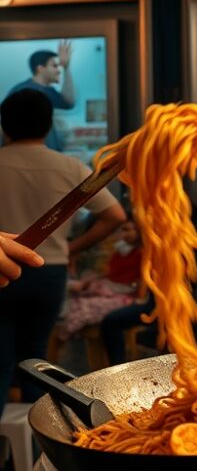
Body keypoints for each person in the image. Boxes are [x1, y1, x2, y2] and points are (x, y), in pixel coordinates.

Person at [0, 89, 126, 404]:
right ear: (48, 125)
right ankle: (40, 440)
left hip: (1, 268)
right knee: (37, 359)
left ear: (4, 126)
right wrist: (73, 248)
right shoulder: (69, 166)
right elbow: (115, 216)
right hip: (48, 272)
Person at [60, 218, 143, 341]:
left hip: (126, 295)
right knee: (76, 294)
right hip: (110, 288)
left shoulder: (142, 254)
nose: (122, 234)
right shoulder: (120, 250)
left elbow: (136, 282)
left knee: (82, 304)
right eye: (121, 230)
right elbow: (110, 273)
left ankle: (63, 334)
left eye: (127, 230)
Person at [6, 42, 76, 151]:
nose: (59, 70)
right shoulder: (22, 91)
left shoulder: (49, 91)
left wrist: (66, 68)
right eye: (54, 66)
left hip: (47, 153)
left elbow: (69, 102)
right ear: (40, 68)